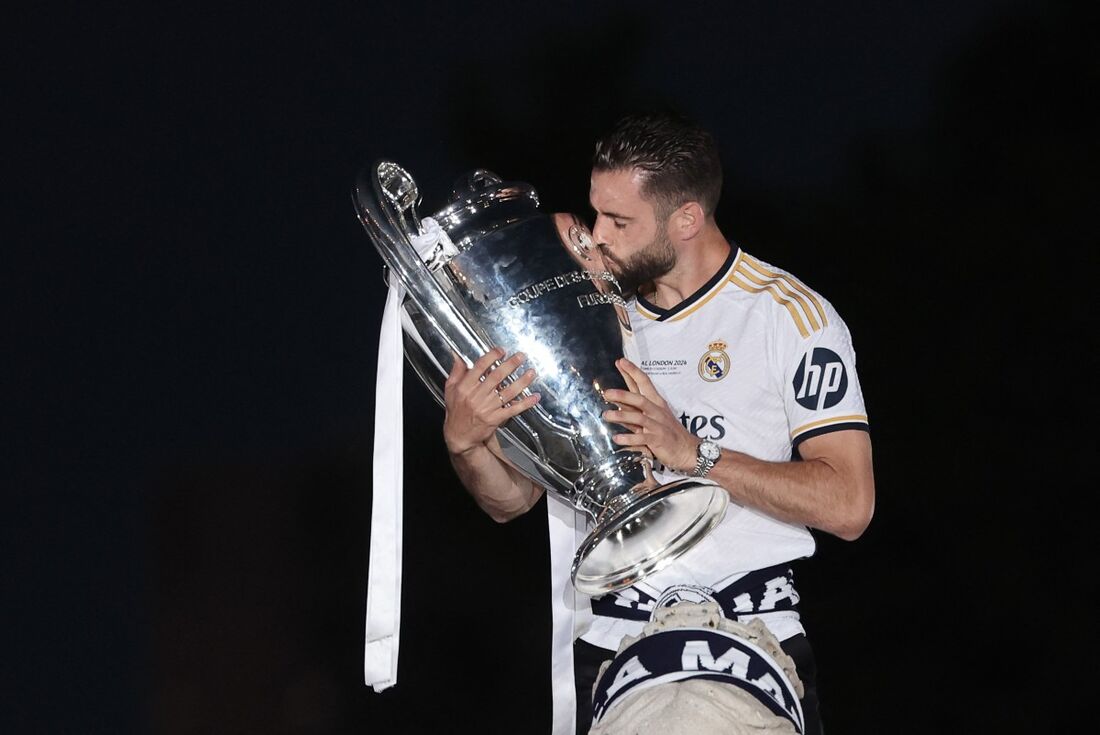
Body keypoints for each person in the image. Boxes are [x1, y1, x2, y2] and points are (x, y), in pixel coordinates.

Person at [442, 111, 875, 735]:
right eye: (595, 213)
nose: (595, 237)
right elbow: (511, 502)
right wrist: (468, 443)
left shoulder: (789, 317)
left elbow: (850, 504)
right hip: (611, 650)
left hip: (748, 638)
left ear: (687, 220)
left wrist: (693, 452)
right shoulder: (585, 309)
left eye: (619, 222)